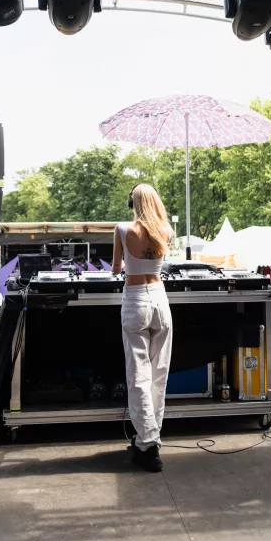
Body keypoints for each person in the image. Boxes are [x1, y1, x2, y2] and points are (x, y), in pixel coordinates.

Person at [112, 184, 174, 473]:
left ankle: (148, 444)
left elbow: (116, 269)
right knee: (158, 374)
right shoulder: (166, 230)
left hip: (135, 301)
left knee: (138, 375)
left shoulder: (123, 229)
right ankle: (148, 439)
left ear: (132, 203)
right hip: (160, 301)